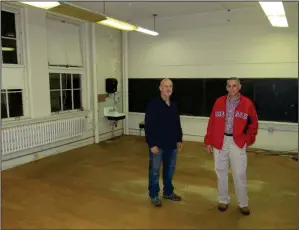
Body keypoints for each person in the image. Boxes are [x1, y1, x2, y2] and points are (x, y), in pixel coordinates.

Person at [204, 77, 258, 216]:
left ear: (239, 87)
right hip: (220, 141)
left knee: (239, 173)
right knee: (220, 171)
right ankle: (223, 200)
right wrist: (208, 141)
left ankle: (243, 203)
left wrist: (247, 139)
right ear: (226, 87)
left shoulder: (247, 104)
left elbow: (253, 124)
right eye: (229, 86)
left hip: (238, 141)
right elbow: (212, 122)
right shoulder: (219, 102)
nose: (232, 88)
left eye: (235, 86)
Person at [144, 78, 183, 207]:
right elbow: (148, 126)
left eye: (170, 86)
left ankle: (168, 192)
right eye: (165, 86)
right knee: (154, 171)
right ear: (160, 88)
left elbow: (177, 124)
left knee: (169, 170)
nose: (168, 88)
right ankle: (154, 195)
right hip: (158, 145)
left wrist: (179, 139)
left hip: (171, 145)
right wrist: (152, 144)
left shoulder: (174, 105)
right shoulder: (153, 105)